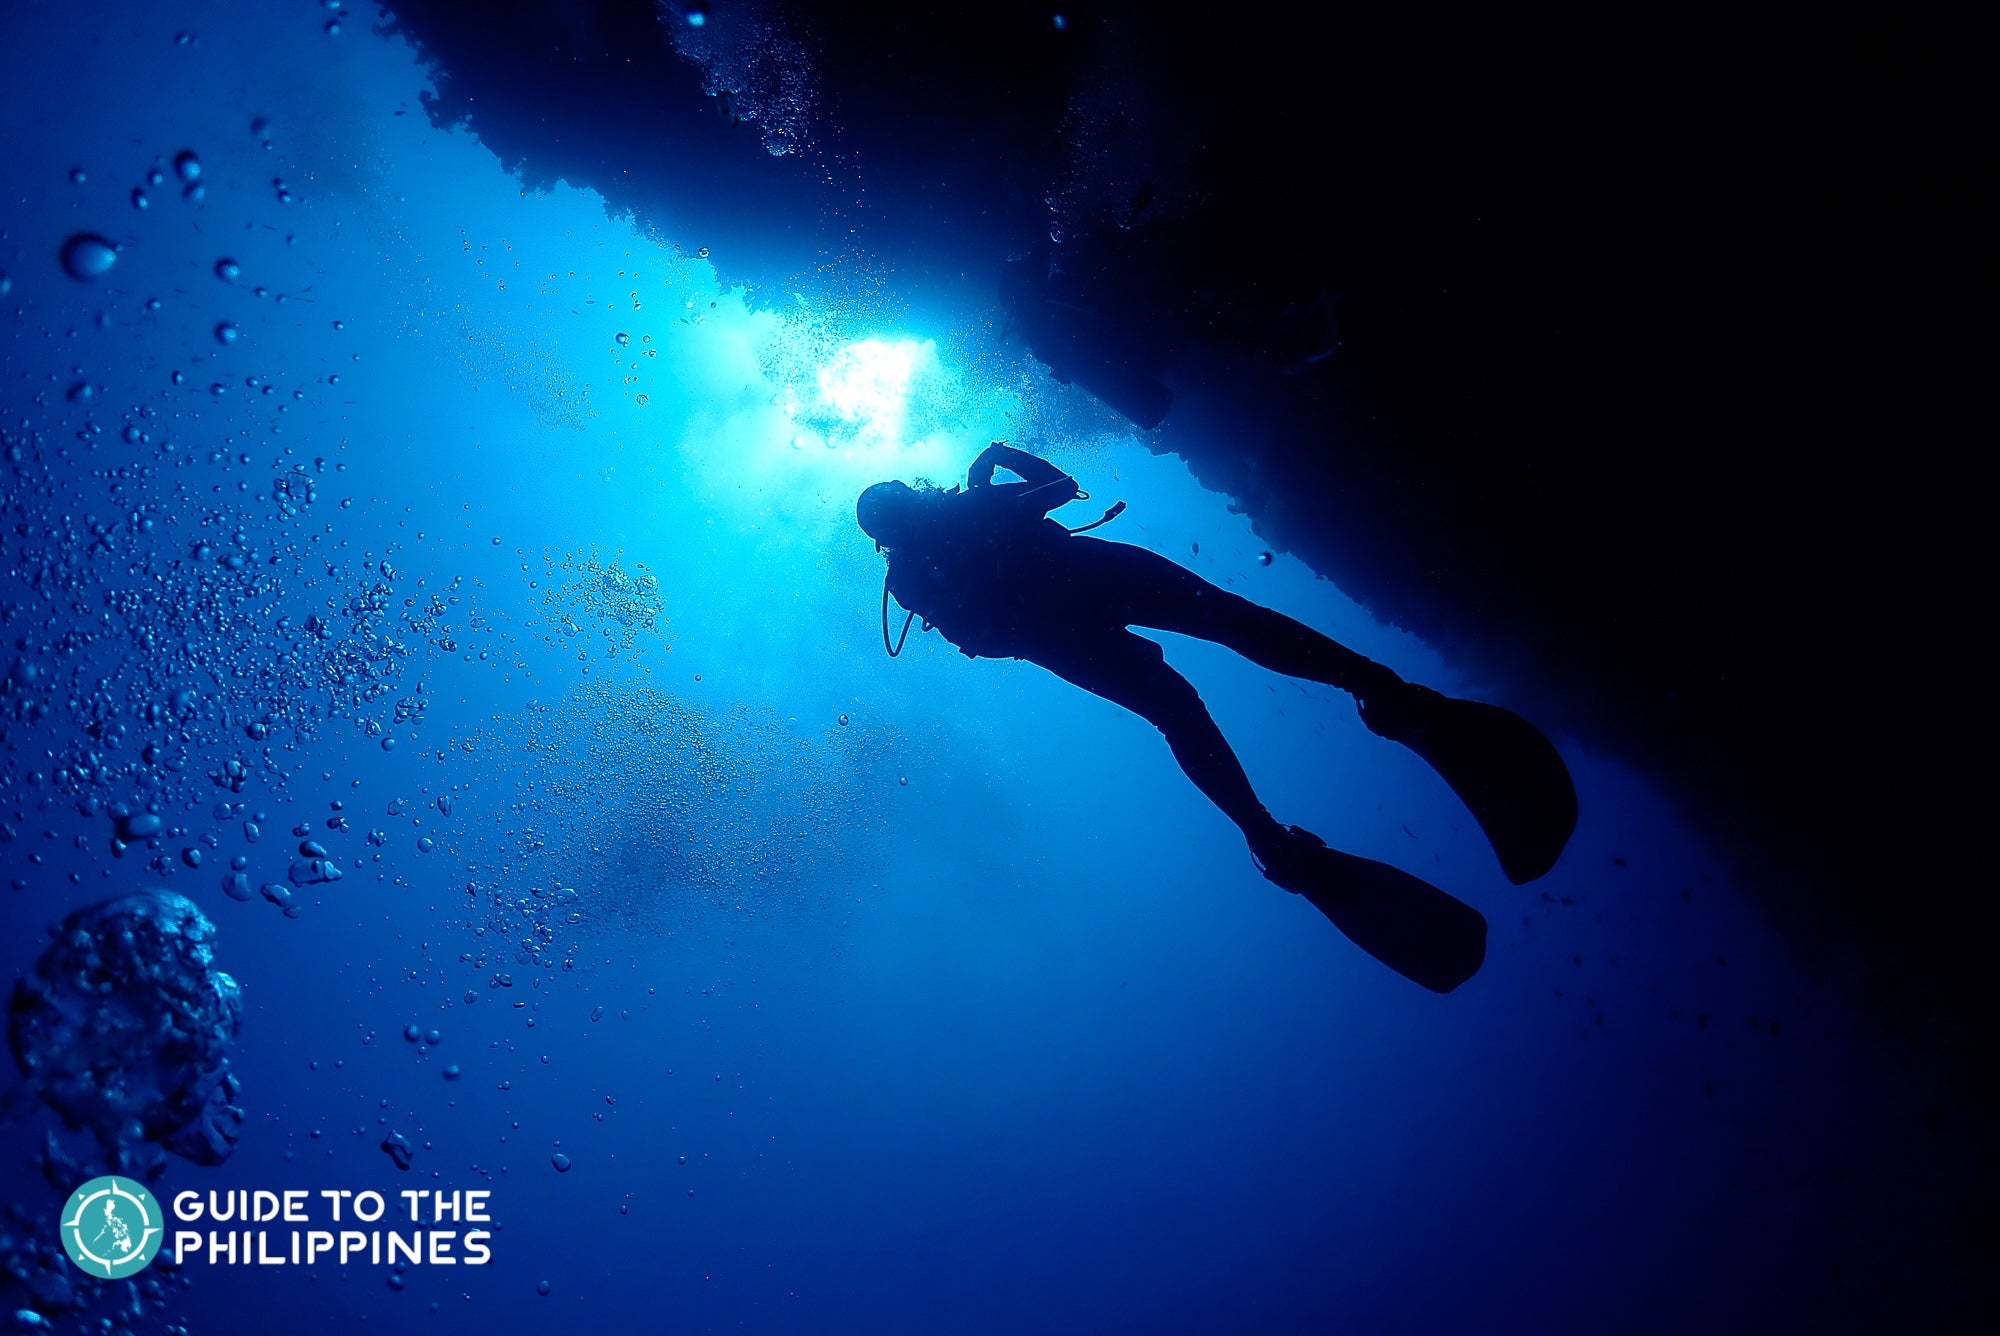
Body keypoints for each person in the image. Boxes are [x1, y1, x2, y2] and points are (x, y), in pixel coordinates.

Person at [856, 443, 1576, 992]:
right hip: (1090, 581)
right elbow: (1060, 488)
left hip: (1058, 636)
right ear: (901, 505)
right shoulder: (956, 513)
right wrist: (998, 457)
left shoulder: (914, 577)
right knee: (1232, 621)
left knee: (1177, 711)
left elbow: (981, 638)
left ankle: (1269, 838)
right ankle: (1387, 692)